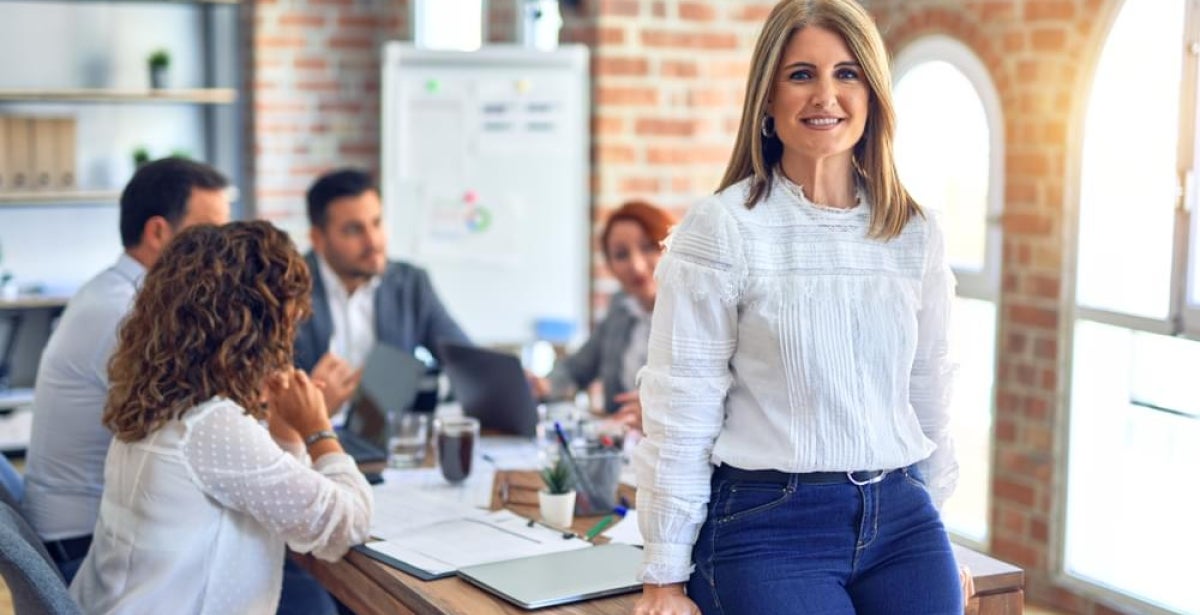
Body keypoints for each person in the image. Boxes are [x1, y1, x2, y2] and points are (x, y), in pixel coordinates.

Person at [633, 1, 961, 613]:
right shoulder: (723, 229)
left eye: (847, 73)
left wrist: (937, 525)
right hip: (769, 525)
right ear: (767, 96)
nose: (826, 96)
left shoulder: (914, 232)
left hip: (902, 520)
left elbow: (929, 390)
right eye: (801, 74)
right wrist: (664, 575)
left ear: (873, 94)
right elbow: (682, 409)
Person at [69, 221, 373, 613]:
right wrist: (318, 428)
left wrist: (285, 431)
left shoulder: (161, 403)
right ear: (254, 327)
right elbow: (349, 524)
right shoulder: (211, 426)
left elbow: (268, 492)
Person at [23, 157, 230, 582]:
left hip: (83, 535)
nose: (221, 252)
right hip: (83, 550)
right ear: (158, 233)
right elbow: (192, 432)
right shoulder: (125, 312)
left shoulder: (116, 292)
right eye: (210, 233)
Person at [293, 168, 471, 412]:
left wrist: (507, 379)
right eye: (354, 230)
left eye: (376, 223)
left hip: (387, 440)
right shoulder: (287, 288)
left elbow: (464, 359)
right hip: (308, 439)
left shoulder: (410, 284)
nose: (373, 241)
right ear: (317, 238)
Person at [530, 201, 676, 431]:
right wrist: (546, 385)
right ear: (609, 265)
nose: (636, 266)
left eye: (648, 247)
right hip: (621, 447)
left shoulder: (695, 315)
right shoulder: (621, 307)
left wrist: (660, 412)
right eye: (621, 255)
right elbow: (577, 368)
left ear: (671, 248)